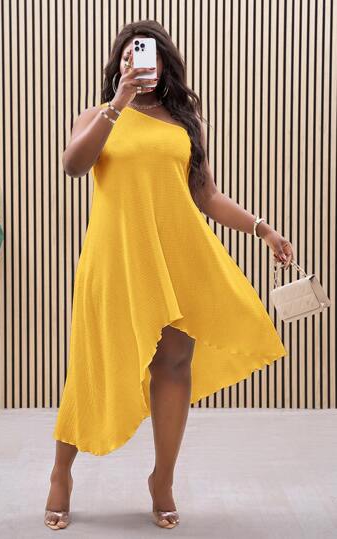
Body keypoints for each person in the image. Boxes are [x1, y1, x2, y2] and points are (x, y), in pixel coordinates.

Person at [44, 20, 294, 531]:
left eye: (151, 55)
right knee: (93, 364)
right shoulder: (96, 116)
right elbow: (73, 166)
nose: (141, 63)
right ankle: (61, 472)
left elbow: (206, 195)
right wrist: (117, 104)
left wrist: (262, 229)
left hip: (177, 259)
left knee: (176, 364)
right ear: (120, 65)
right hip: (115, 261)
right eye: (132, 55)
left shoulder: (184, 123)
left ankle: (162, 480)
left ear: (165, 65)